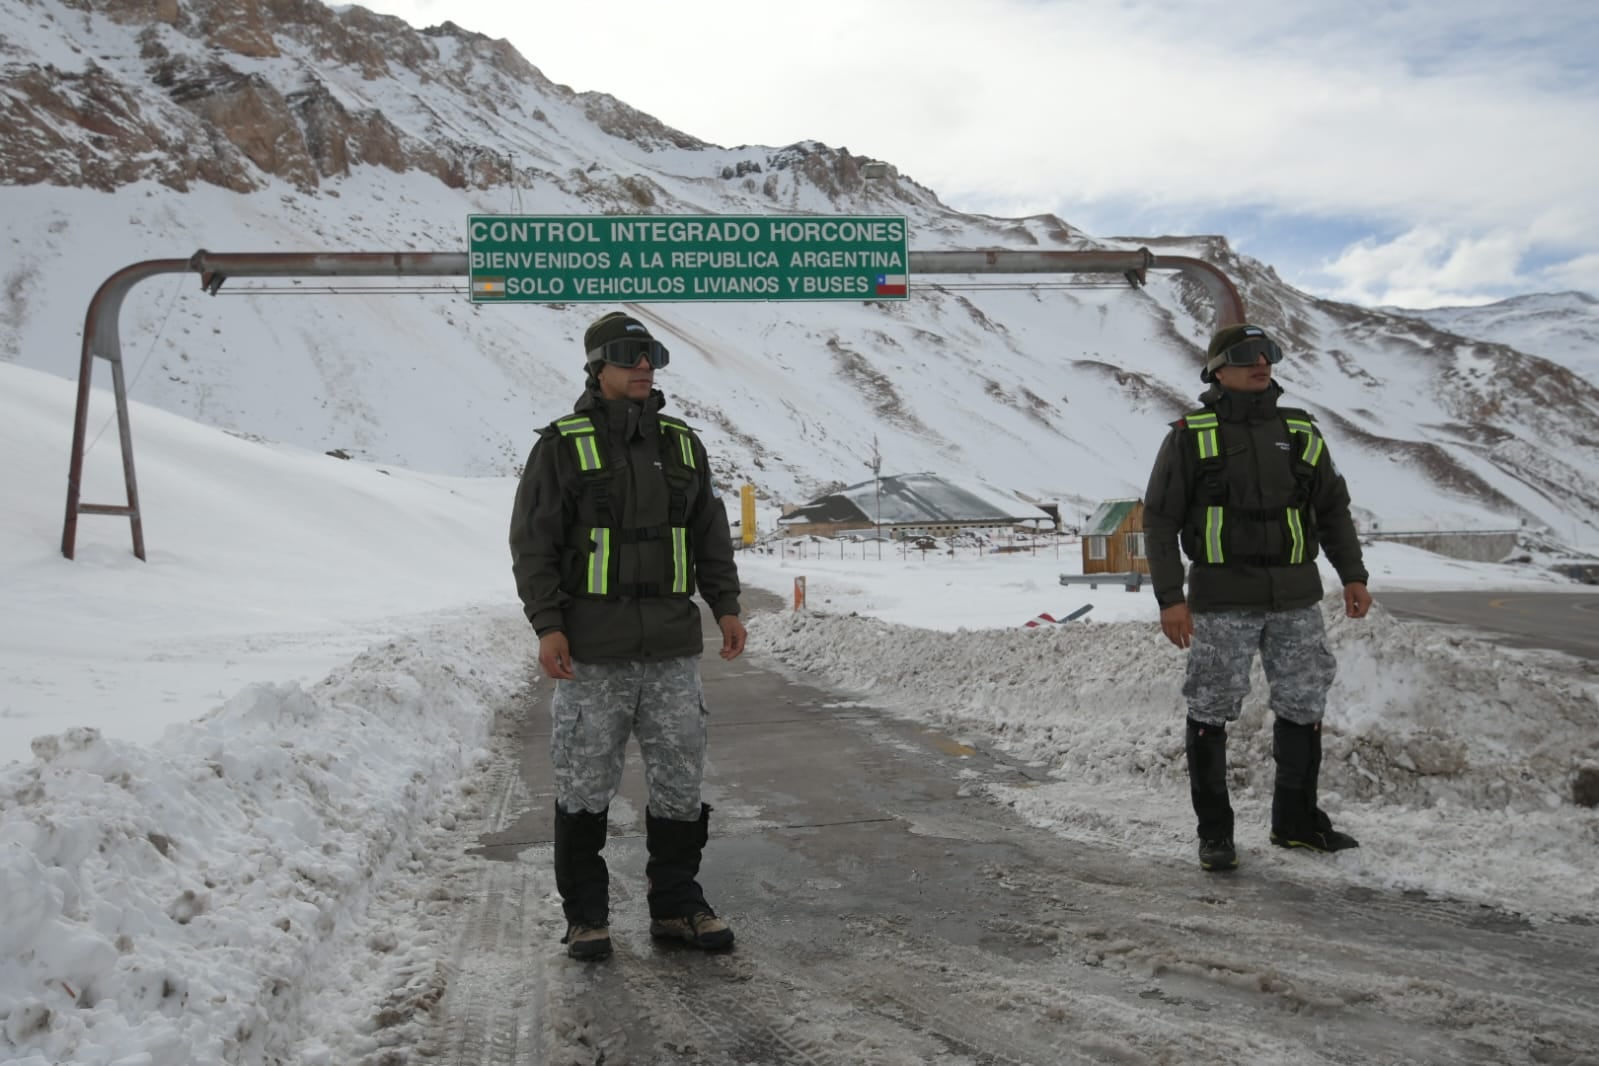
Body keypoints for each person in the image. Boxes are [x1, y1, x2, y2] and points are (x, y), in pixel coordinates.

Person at [510, 310, 747, 959]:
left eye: (652, 355)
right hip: (594, 649)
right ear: (597, 366)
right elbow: (534, 543)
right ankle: (586, 916)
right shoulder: (562, 444)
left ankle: (676, 906)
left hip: (670, 647)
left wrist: (725, 604)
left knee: (678, 780)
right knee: (584, 784)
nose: (644, 365)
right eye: (629, 355)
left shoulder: (681, 443)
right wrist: (548, 625)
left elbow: (708, 533)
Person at [1142, 322, 1373, 872]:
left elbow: (1332, 509)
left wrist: (1353, 574)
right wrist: (1171, 599)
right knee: (1211, 709)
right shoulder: (1190, 434)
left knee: (1303, 702)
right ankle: (1215, 834)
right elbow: (1159, 520)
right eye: (1246, 355)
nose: (1261, 363)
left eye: (1268, 353)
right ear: (1217, 370)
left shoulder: (1300, 432)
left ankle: (1294, 823)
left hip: (1295, 597)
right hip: (1222, 601)